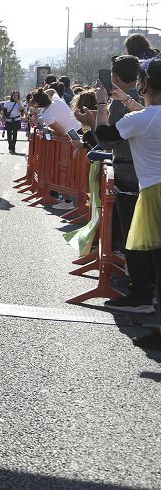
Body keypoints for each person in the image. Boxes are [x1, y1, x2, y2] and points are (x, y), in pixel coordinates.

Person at [94, 58, 161, 350]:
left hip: (154, 195)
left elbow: (104, 137)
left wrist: (100, 106)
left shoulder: (140, 120)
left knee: (156, 261)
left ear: (144, 85)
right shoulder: (145, 116)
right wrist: (125, 99)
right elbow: (149, 115)